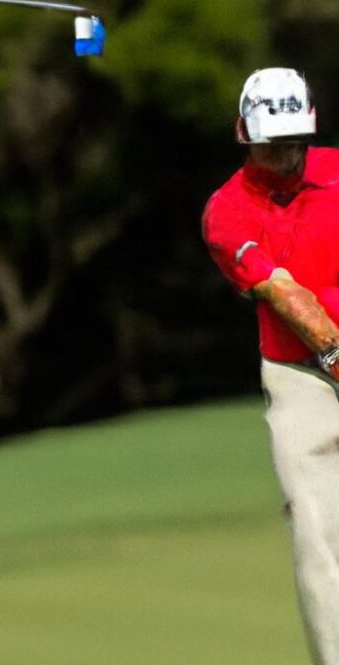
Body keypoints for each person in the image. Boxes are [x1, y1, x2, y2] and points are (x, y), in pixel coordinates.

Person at [203, 68, 339, 664]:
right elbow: (285, 295)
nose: (284, 154)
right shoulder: (227, 211)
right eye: (270, 142)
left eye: (293, 140)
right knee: (317, 532)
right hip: (301, 377)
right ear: (243, 132)